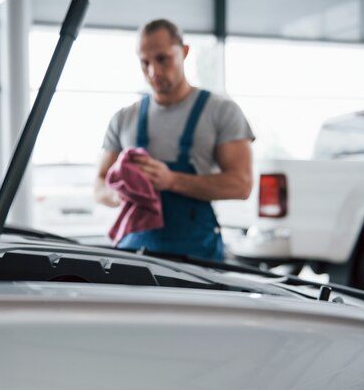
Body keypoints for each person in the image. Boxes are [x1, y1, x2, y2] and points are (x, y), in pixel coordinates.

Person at [94, 19, 254, 261]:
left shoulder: (222, 111)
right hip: (133, 255)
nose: (153, 72)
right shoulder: (123, 118)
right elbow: (99, 184)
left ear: (184, 52)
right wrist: (121, 194)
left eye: (162, 59)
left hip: (196, 259)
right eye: (144, 62)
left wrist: (170, 180)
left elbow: (241, 185)